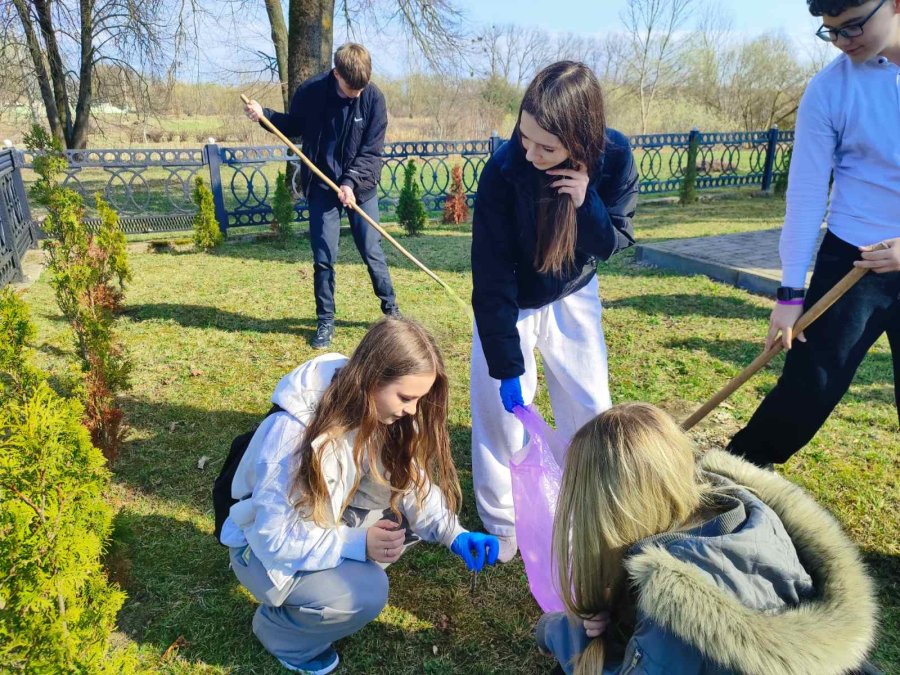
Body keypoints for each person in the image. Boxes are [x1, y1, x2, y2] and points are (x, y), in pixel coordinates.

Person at [220, 318, 498, 673]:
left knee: (396, 525)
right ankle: (281, 634)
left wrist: (453, 533)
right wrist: (355, 544)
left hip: (320, 523)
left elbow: (412, 483)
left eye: (419, 399)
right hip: (259, 549)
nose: (412, 410)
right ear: (371, 378)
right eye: (406, 397)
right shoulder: (291, 434)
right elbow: (273, 538)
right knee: (365, 592)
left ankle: (323, 593)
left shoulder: (385, 414)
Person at [537, 403, 878, 675]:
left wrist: (562, 633)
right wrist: (623, 611)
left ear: (607, 513)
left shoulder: (674, 605)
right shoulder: (752, 514)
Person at [469, 61, 638, 561]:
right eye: (524, 137)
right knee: (500, 416)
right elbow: (492, 274)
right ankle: (502, 521)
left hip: (573, 292)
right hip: (512, 301)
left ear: (580, 139)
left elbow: (615, 241)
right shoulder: (503, 170)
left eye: (547, 147)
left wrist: (586, 203)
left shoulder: (615, 156)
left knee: (590, 406)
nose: (530, 153)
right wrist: (504, 364)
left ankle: (589, 503)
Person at [727, 0, 900, 466]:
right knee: (809, 388)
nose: (845, 42)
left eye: (855, 26)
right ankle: (726, 484)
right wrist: (788, 295)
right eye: (832, 32)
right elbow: (805, 197)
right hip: (853, 261)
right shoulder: (829, 90)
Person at [245, 43, 399, 350]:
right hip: (322, 188)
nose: (355, 94)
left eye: (361, 88)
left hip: (361, 187)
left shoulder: (374, 99)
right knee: (324, 258)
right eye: (349, 88)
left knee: (372, 251)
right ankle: (325, 321)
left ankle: (391, 310)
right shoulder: (311, 92)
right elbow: (294, 126)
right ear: (336, 73)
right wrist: (265, 116)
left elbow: (371, 152)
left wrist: (351, 182)